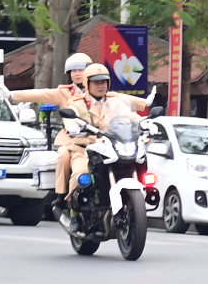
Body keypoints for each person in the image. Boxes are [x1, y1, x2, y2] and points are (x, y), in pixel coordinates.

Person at [10, 63, 145, 211]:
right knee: (81, 175)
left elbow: (130, 115)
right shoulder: (77, 102)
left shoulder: (114, 102)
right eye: (96, 82)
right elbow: (69, 115)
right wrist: (73, 127)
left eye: (104, 82)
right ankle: (73, 210)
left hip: (109, 149)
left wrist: (146, 124)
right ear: (87, 83)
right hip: (84, 150)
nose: (101, 86)